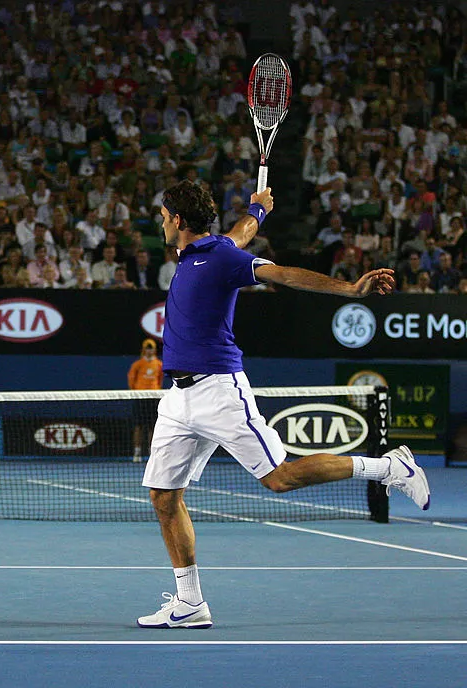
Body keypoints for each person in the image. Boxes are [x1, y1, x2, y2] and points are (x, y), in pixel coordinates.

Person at [137, 181, 429, 630]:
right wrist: (258, 209)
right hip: (176, 399)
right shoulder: (202, 251)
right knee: (163, 496)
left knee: (280, 478)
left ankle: (388, 468)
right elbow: (240, 234)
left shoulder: (222, 258)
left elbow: (283, 273)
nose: (160, 219)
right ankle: (190, 603)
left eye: (162, 213)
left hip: (218, 391)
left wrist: (349, 289)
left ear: (176, 219)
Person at [127, 339, 163, 462]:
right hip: (140, 397)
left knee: (152, 427)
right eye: (147, 348)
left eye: (151, 348)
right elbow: (131, 379)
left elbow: (159, 380)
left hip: (153, 398)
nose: (149, 350)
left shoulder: (159, 364)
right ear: (144, 350)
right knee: (139, 426)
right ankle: (137, 453)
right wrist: (137, 391)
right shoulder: (137, 364)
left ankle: (152, 453)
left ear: (154, 350)